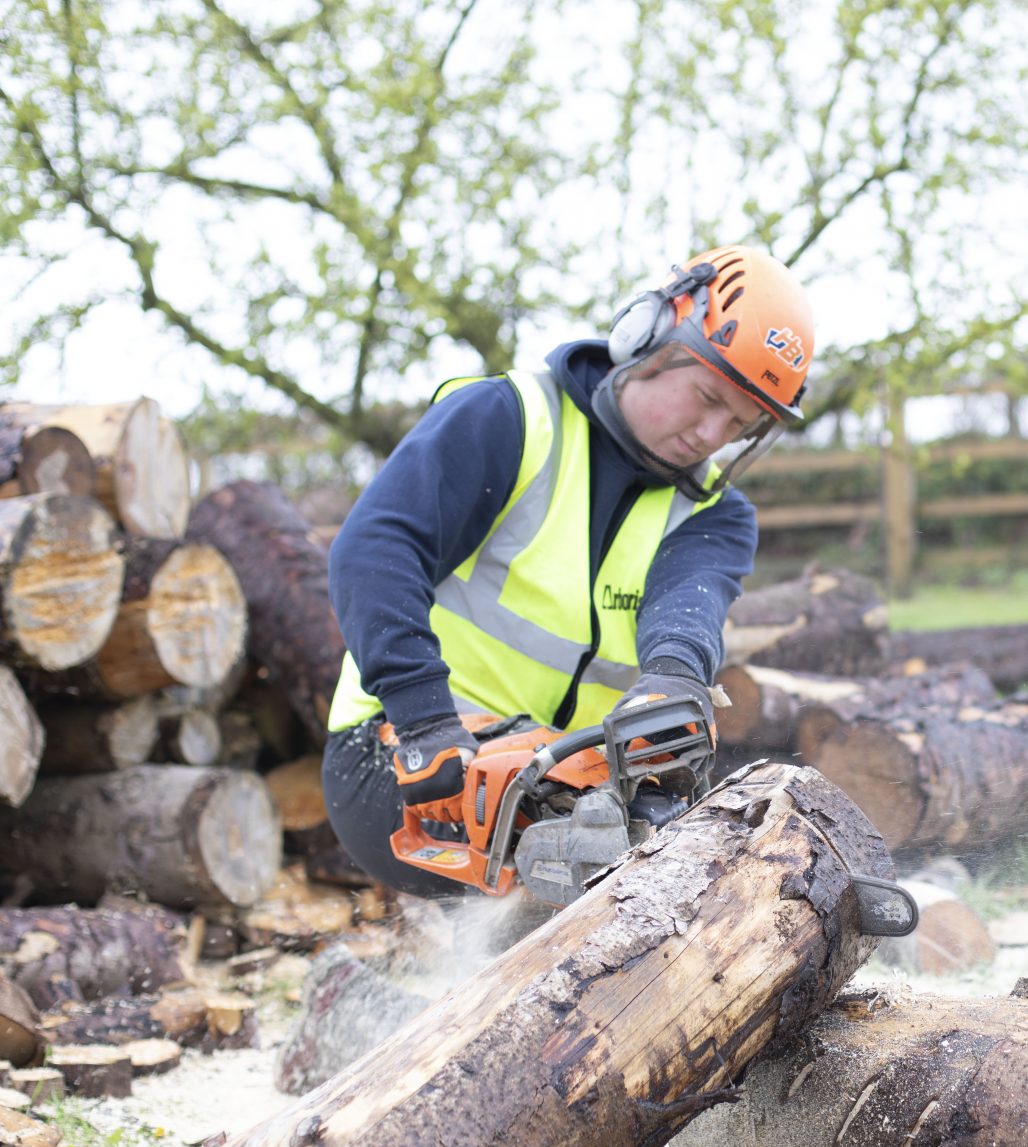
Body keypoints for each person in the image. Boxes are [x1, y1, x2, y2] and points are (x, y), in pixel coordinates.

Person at [321, 245, 813, 902]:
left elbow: (687, 606)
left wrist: (672, 681)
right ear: (648, 335)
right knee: (590, 858)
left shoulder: (713, 514)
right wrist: (421, 716)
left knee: (652, 859)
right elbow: (374, 548)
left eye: (740, 422)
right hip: (402, 748)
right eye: (705, 396)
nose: (710, 433)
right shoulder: (512, 419)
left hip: (563, 773)